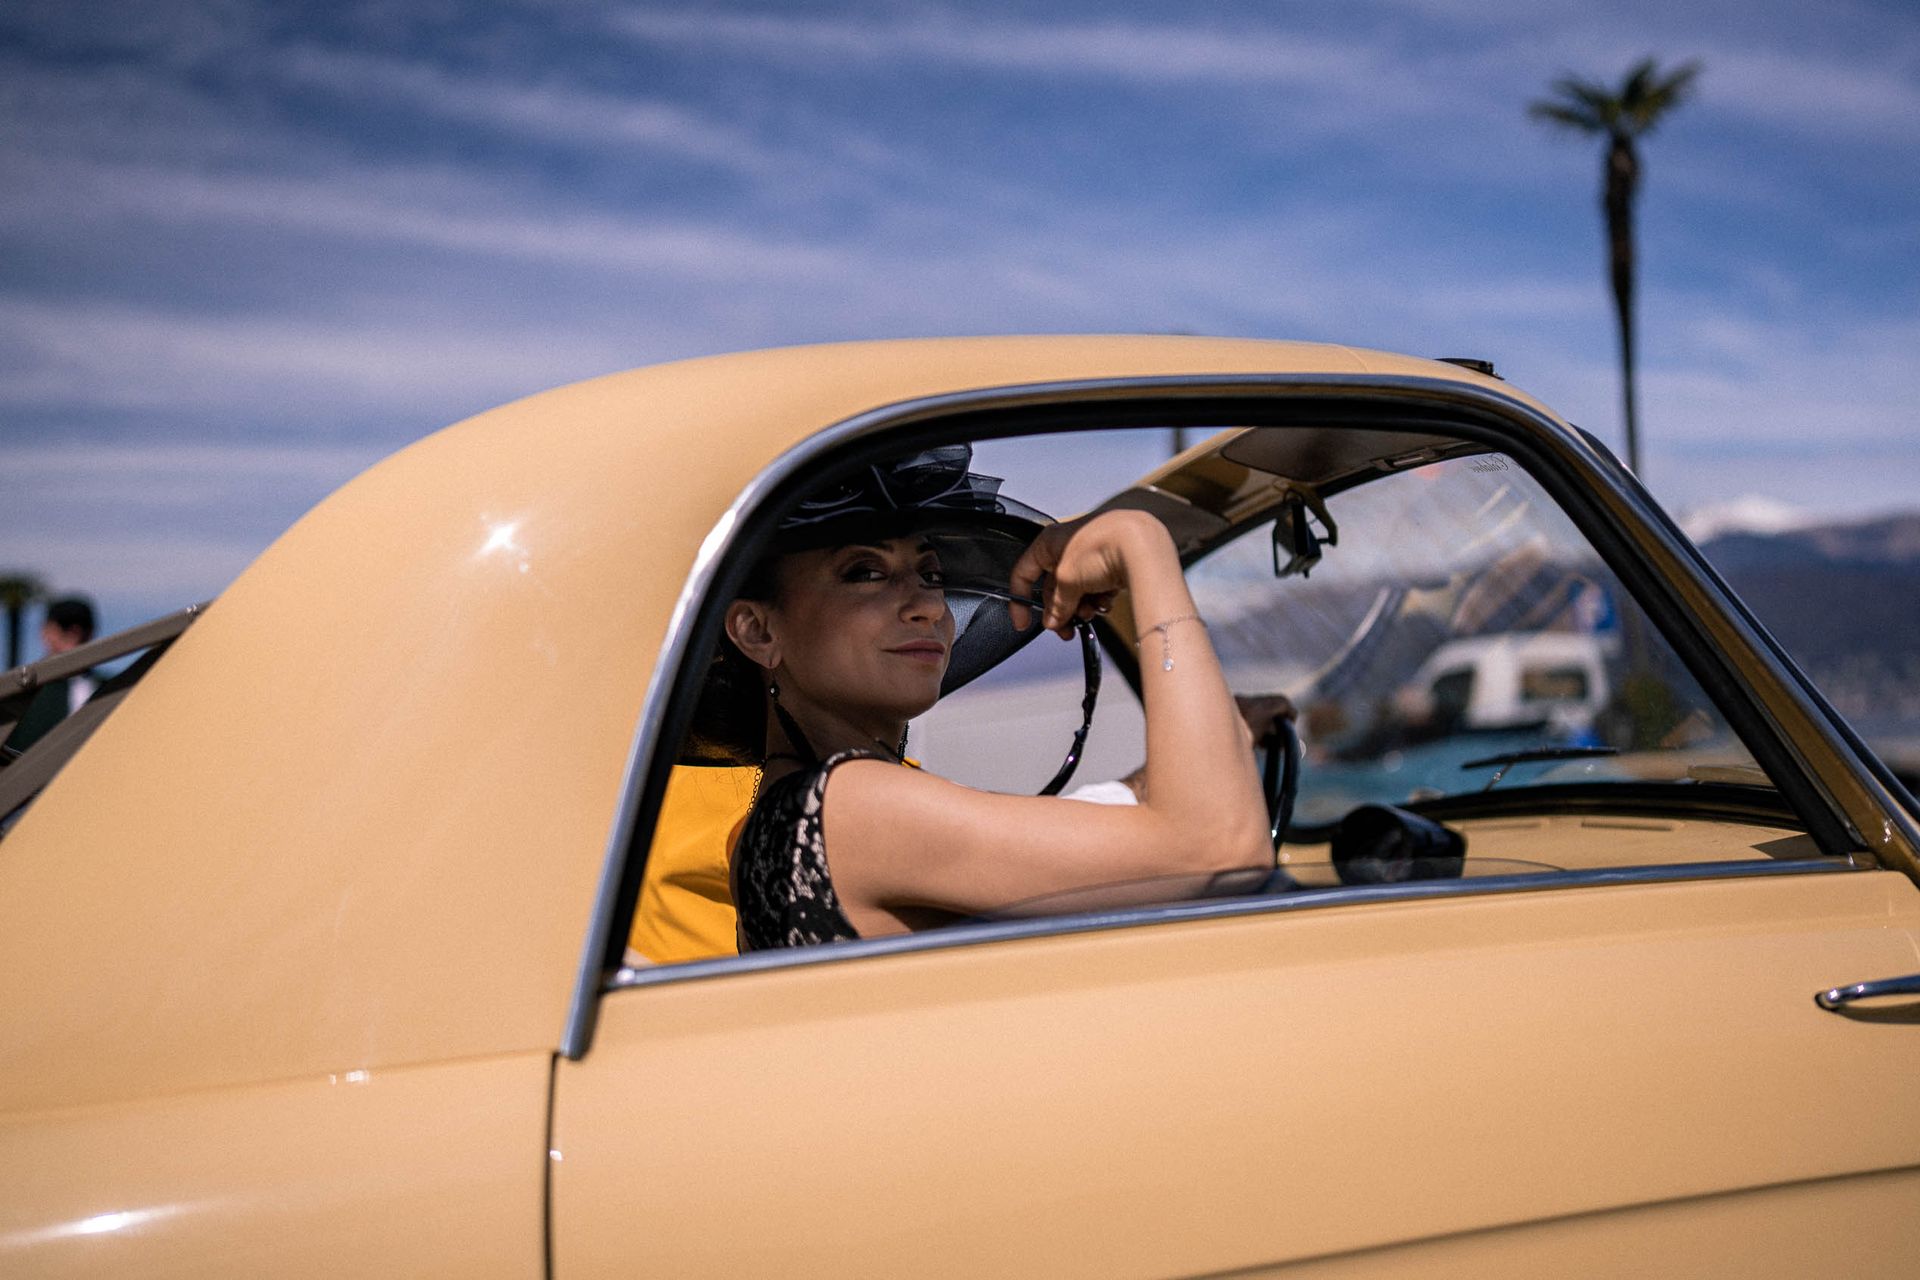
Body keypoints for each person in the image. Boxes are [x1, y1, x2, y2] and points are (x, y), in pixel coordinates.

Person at [711, 448, 1272, 951]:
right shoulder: (852, 804)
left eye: (931, 574)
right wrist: (1141, 541)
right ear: (758, 631)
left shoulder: (787, 816)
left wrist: (1189, 762)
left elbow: (1031, 833)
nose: (929, 607)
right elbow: (1219, 852)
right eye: (865, 573)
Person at [1, 596, 97, 757]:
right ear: (46, 631)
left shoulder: (111, 685)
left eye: (83, 626)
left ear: (91, 632)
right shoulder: (19, 688)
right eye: (65, 626)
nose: (75, 633)